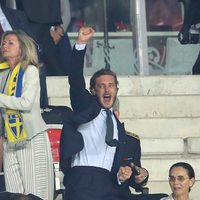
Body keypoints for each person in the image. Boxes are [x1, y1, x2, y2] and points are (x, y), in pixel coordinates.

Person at [60, 26, 148, 200]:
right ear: (93, 90)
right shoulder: (86, 106)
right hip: (83, 179)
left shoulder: (117, 126)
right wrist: (81, 44)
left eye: (111, 85)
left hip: (108, 183)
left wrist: (122, 175)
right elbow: (75, 79)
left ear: (116, 89)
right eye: (101, 86)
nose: (107, 89)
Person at [0, 30, 54, 200]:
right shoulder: (2, 74)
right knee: (14, 195)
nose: (4, 46)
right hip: (10, 140)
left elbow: (25, 103)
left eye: (10, 43)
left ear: (22, 48)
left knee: (35, 194)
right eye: (3, 42)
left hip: (31, 138)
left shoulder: (30, 70)